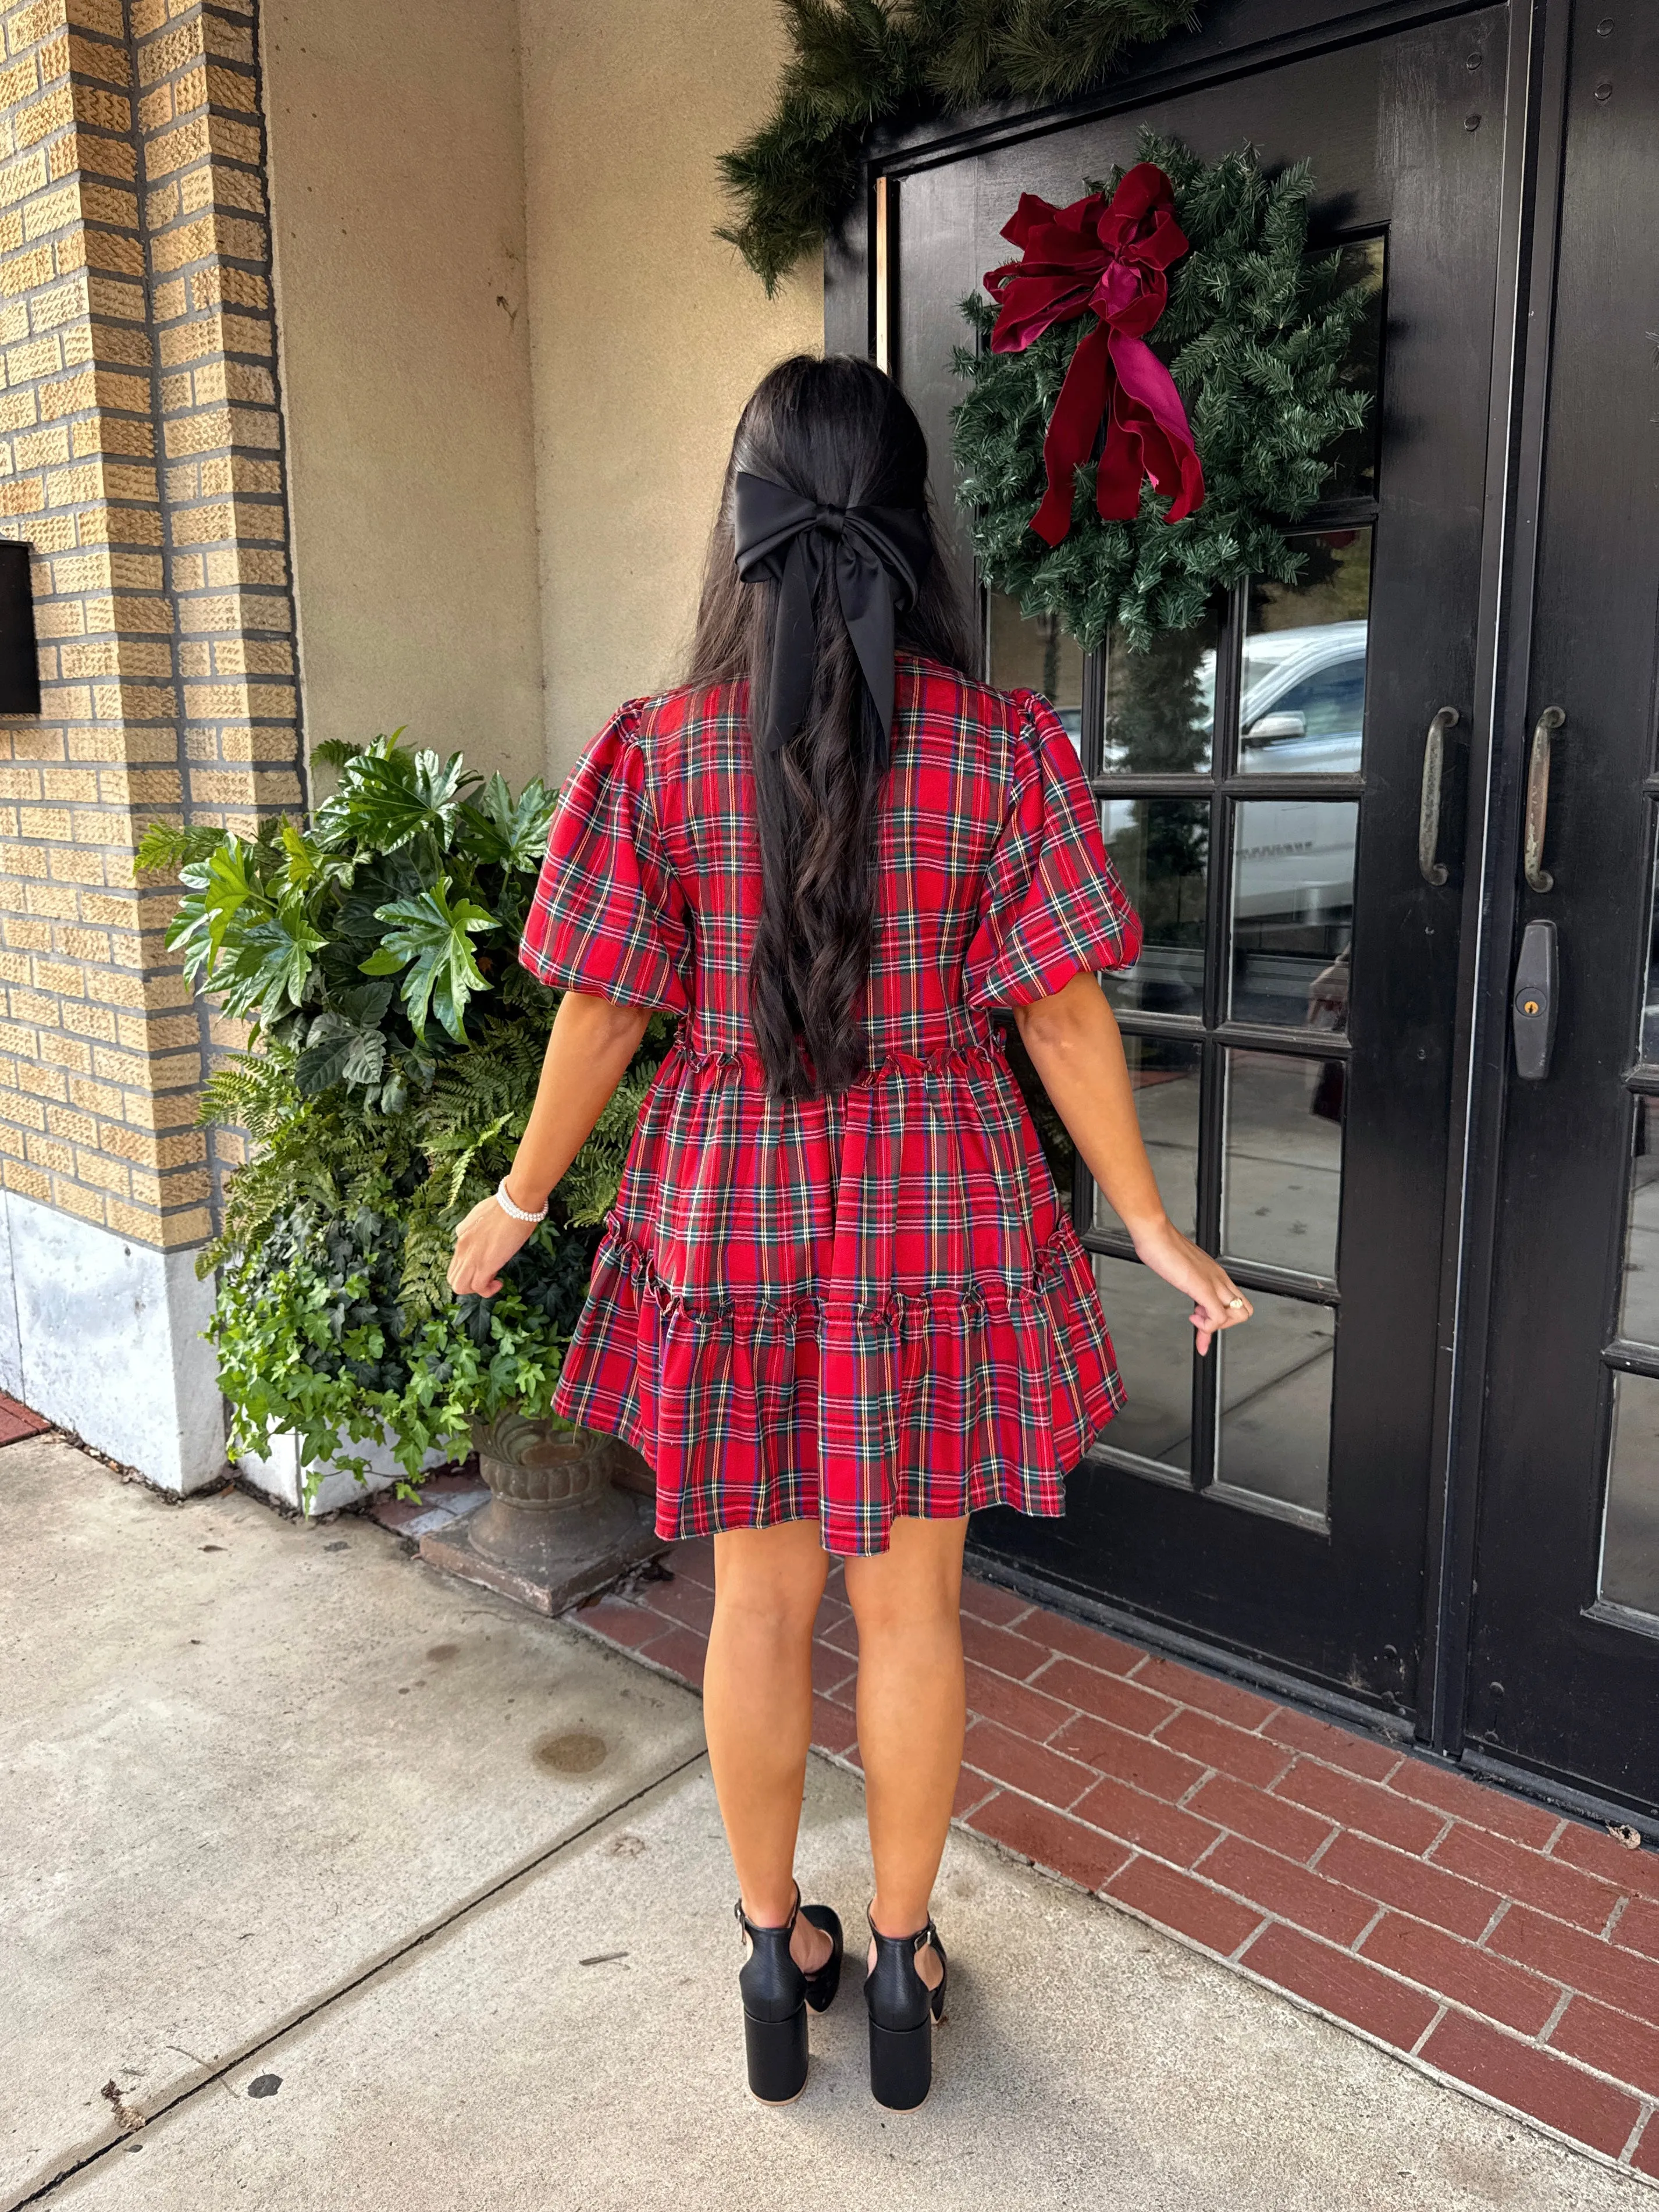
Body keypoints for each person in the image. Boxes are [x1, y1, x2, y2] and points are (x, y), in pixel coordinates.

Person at [447, 354, 1252, 2113]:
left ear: (740, 530)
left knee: (752, 1606)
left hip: (727, 1202)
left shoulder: (654, 752)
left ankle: (768, 1951)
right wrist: (1147, 1222)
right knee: (915, 1616)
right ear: (912, 527)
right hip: (940, 1211)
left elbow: (600, 1020)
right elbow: (1055, 1017)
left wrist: (515, 1205)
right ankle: (899, 1964)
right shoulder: (1003, 746)